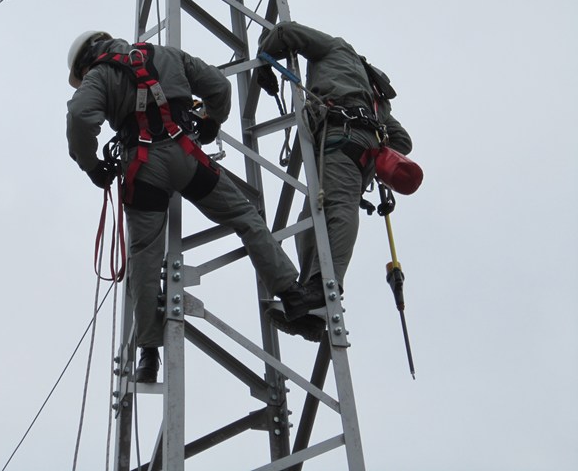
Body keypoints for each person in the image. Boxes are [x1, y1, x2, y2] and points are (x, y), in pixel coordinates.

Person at [66, 30, 323, 383]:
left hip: (144, 171)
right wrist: (211, 122)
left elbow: (80, 117)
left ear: (85, 62)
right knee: (245, 215)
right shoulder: (167, 54)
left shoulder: (99, 76)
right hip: (187, 158)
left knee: (144, 254)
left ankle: (149, 353)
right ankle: (292, 294)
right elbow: (219, 86)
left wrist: (93, 166)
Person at [257, 21, 413, 335]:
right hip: (356, 147)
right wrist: (380, 149)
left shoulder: (335, 47)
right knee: (311, 219)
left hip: (341, 137)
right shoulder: (376, 97)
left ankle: (324, 287)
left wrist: (264, 55)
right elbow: (403, 141)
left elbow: (286, 33)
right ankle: (313, 307)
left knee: (337, 208)